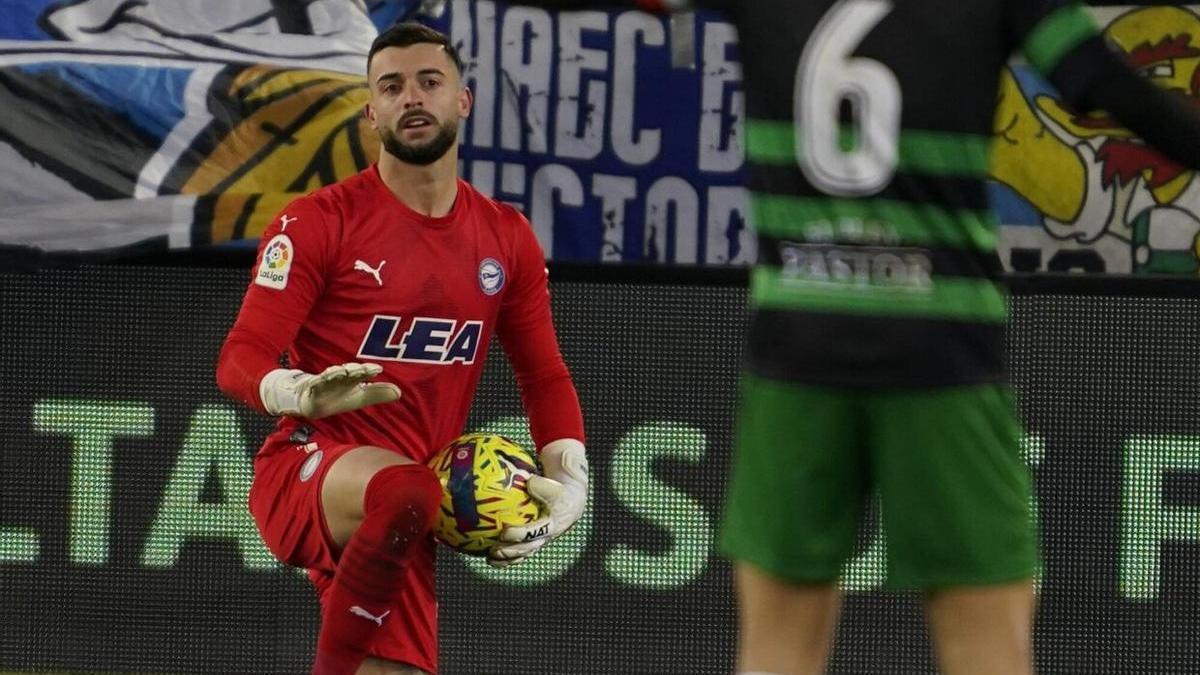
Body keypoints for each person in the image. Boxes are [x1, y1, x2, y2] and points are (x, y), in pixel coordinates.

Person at [507, 0, 1200, 673]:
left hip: (799, 353)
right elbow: (1104, 84)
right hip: (942, 355)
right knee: (990, 655)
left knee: (775, 658)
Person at [215, 22, 588, 675]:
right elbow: (240, 356)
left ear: (462, 100)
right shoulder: (318, 221)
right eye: (391, 86)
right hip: (307, 467)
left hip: (407, 509)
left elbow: (544, 376)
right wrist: (297, 390)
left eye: (428, 81)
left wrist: (574, 483)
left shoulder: (507, 237)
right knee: (405, 488)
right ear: (371, 113)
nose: (411, 97)